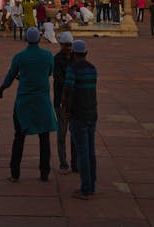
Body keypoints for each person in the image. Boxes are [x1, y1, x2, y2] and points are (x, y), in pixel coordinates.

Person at [0, 26, 56, 183]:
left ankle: (15, 173)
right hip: (42, 100)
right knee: (44, 137)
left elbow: (10, 76)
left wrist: (1, 90)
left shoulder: (19, 57)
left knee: (19, 137)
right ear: (39, 39)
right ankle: (44, 172)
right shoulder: (48, 56)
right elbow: (49, 73)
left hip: (24, 101)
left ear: (26, 40)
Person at [59, 38, 99, 200]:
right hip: (92, 112)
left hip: (79, 114)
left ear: (74, 53)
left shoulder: (73, 68)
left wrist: (65, 107)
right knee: (90, 151)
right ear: (86, 53)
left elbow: (68, 89)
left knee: (82, 151)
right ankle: (91, 185)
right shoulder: (92, 69)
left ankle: (85, 188)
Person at [51, 32, 75, 175]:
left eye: (70, 45)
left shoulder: (74, 58)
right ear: (61, 45)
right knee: (62, 132)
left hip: (73, 100)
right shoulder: (57, 60)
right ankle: (63, 162)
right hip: (61, 100)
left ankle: (75, 162)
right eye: (66, 45)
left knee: (75, 132)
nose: (68, 48)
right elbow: (58, 79)